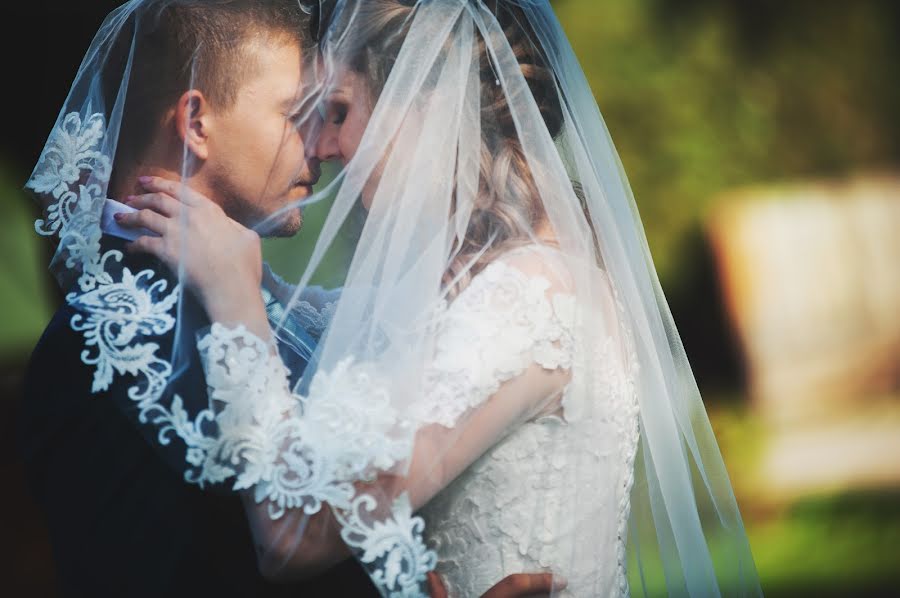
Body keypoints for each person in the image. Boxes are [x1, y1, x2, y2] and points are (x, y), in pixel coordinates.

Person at [117, 0, 763, 596]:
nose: (321, 147)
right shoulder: (474, 287)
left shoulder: (525, 301)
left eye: (339, 111)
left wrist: (238, 308)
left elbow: (295, 535)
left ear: (430, 101)